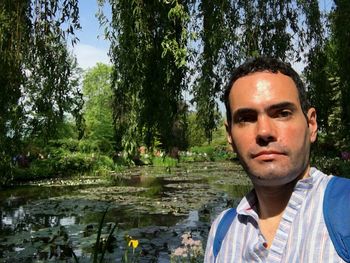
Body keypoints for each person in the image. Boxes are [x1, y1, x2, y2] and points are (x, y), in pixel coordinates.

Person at [204, 57, 348, 262]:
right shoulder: (222, 231)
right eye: (246, 118)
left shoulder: (345, 212)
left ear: (311, 124)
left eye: (282, 113)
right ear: (230, 136)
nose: (264, 131)